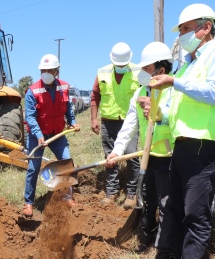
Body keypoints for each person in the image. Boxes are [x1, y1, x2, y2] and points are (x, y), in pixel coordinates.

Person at [148, 4, 215, 258]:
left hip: (204, 147)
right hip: (183, 147)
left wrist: (175, 82)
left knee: (196, 217)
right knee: (176, 210)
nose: (181, 36)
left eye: (187, 29)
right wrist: (159, 114)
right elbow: (181, 108)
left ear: (206, 27)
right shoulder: (187, 64)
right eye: (180, 31)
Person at [106, 42, 175, 255]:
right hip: (147, 156)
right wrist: (117, 151)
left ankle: (162, 248)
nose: (142, 73)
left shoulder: (174, 92)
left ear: (161, 70)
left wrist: (159, 114)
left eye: (147, 68)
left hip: (167, 156)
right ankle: (146, 238)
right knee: (146, 199)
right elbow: (129, 125)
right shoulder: (139, 94)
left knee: (166, 203)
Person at [23, 54, 81, 217]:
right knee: (33, 169)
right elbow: (30, 117)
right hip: (37, 136)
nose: (46, 72)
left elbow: (68, 109)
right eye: (44, 70)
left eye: (50, 70)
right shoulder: (32, 91)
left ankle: (67, 197)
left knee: (67, 164)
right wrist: (39, 135)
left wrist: (72, 122)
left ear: (57, 71)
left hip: (57, 134)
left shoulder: (64, 87)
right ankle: (28, 203)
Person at [90, 42, 140, 209]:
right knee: (110, 159)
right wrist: (94, 119)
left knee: (132, 155)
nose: (120, 67)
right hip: (108, 122)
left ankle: (132, 192)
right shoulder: (102, 72)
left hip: (130, 121)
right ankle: (112, 191)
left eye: (123, 65)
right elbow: (95, 96)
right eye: (117, 64)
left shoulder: (139, 72)